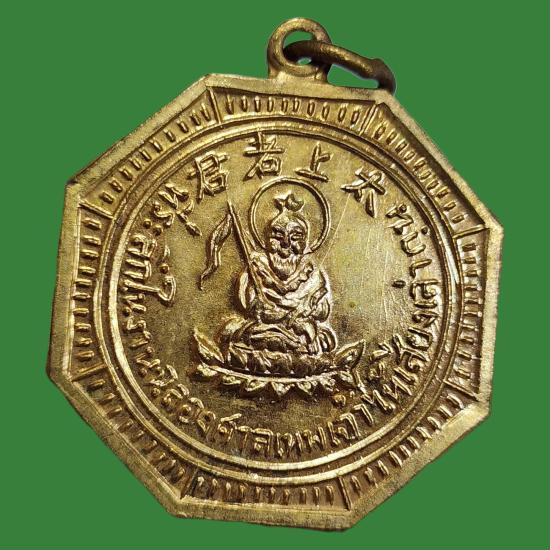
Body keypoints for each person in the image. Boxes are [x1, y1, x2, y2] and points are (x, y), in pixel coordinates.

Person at [221, 193, 336, 374]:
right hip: (262, 332)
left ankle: (289, 360)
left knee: (320, 338)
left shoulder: (313, 274)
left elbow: (321, 311)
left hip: (299, 335)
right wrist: (262, 309)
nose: (285, 244)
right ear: (266, 239)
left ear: (306, 242)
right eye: (277, 235)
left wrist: (302, 321)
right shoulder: (255, 267)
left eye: (295, 237)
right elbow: (247, 306)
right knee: (234, 331)